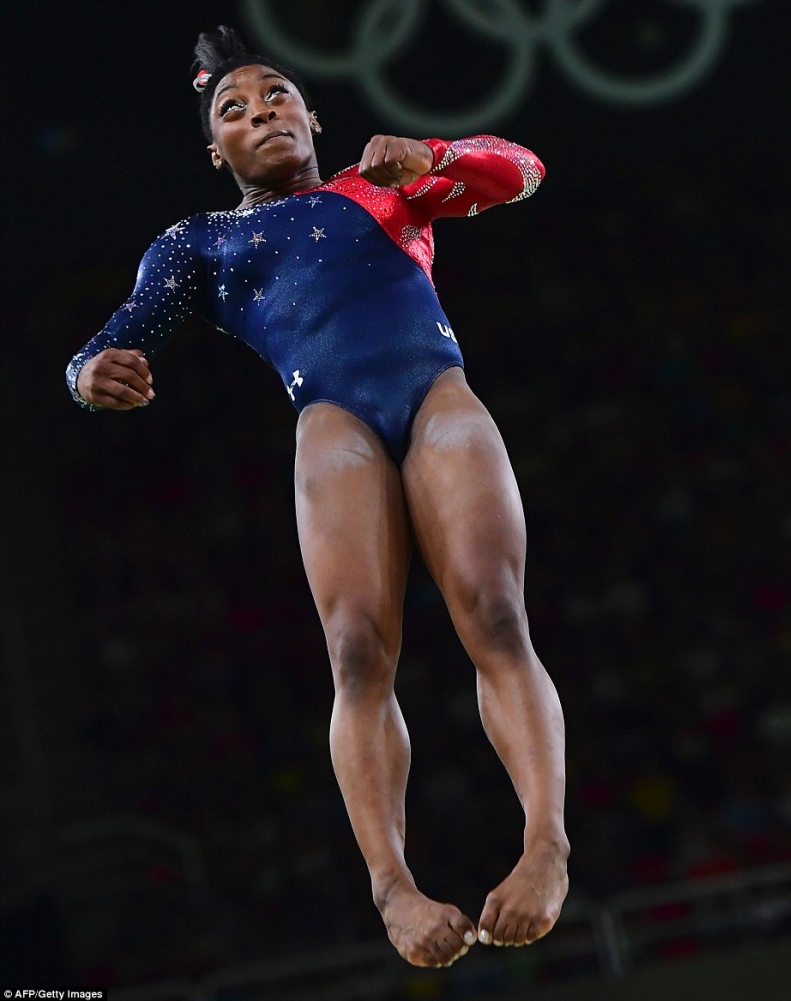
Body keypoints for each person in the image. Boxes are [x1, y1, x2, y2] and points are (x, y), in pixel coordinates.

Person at [66, 25, 569, 969]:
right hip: (333, 419)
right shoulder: (200, 242)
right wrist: (87, 374)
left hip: (435, 395)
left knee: (496, 612)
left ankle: (545, 844)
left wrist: (434, 155)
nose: (260, 112)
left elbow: (524, 171)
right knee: (355, 649)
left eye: (278, 96)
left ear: (313, 116)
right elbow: (117, 334)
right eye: (234, 109)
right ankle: (392, 885)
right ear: (215, 150)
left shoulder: (381, 188)